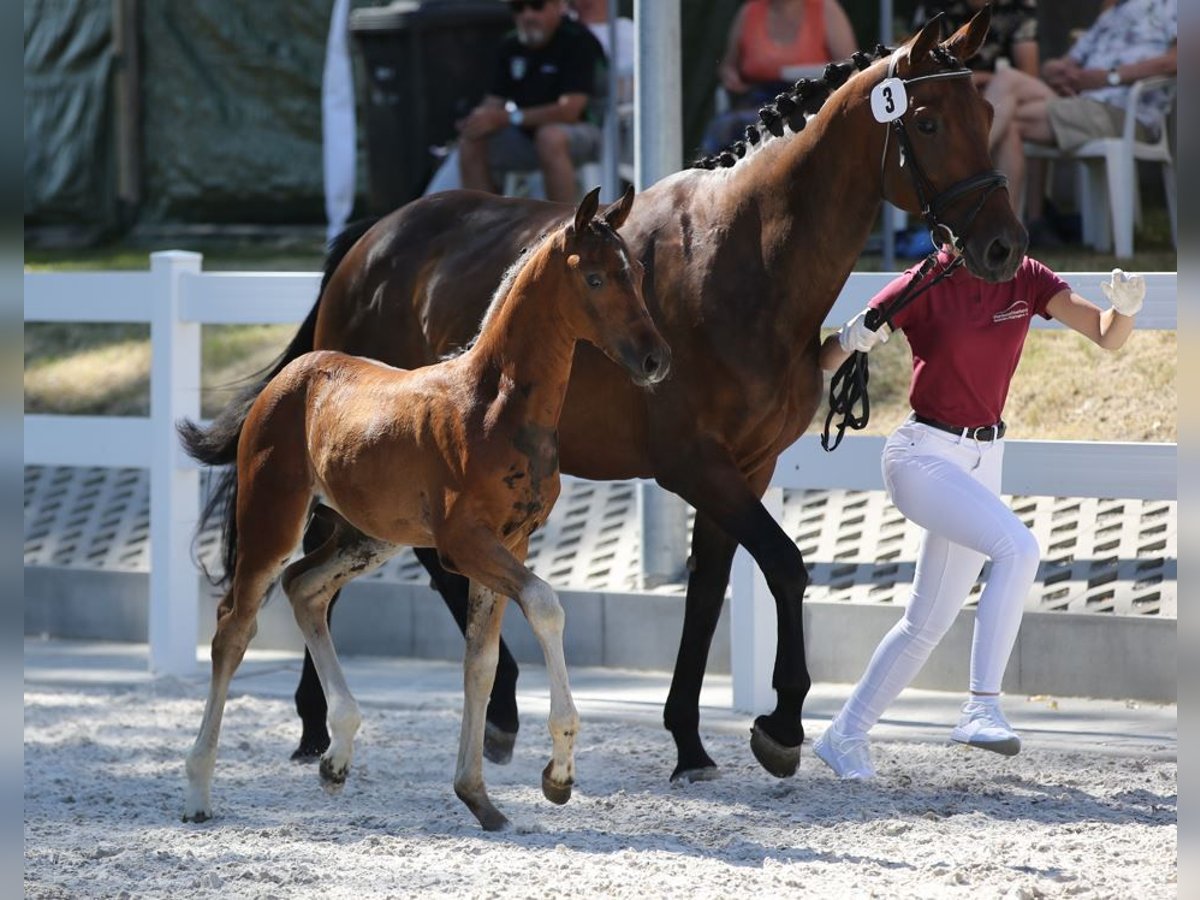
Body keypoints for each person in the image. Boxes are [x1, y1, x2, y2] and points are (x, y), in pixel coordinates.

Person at [811, 249, 1145, 780]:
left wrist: (1124, 309)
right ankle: (981, 705)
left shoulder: (1029, 276)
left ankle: (843, 734)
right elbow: (827, 360)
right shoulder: (922, 281)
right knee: (1019, 548)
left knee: (925, 624)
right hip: (922, 455)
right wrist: (850, 337)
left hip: (985, 458)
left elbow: (1106, 334)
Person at [1006, 0, 1177, 245]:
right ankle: (1014, 227)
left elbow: (1176, 60)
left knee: (1006, 112)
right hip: (1081, 104)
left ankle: (998, 227)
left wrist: (1111, 77)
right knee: (1007, 84)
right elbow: (1062, 63)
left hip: (1123, 112)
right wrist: (1057, 71)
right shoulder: (1112, 14)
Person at [425, 0, 607, 203]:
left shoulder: (578, 41)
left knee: (549, 137)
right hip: (525, 135)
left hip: (587, 133)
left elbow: (570, 111)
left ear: (557, 7)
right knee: (473, 138)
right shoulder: (510, 45)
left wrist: (509, 117)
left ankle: (565, 223)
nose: (528, 15)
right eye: (518, 8)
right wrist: (477, 120)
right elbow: (494, 101)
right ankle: (491, 223)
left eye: (536, 6)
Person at [911, 1, 1041, 218]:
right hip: (956, 104)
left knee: (1007, 81)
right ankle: (1006, 225)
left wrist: (985, 80)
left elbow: (1028, 77)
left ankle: (963, 164)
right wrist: (970, 83)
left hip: (1003, 98)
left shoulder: (1018, 7)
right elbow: (923, 74)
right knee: (1008, 132)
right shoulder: (934, 8)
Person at [700, 0, 857, 155]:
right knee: (726, 128)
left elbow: (848, 64)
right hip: (758, 101)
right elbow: (728, 65)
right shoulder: (749, 12)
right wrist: (730, 76)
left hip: (809, 98)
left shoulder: (826, 9)